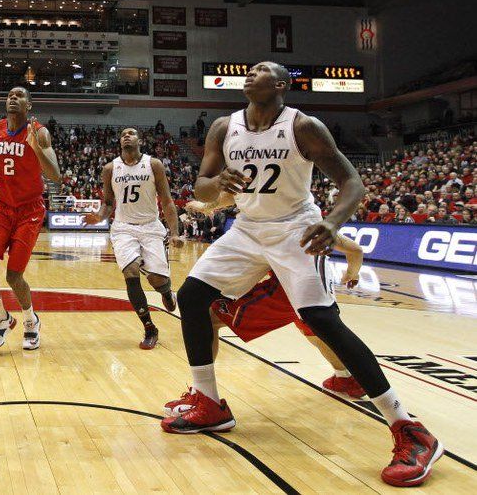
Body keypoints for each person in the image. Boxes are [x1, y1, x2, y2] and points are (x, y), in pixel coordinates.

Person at [161, 62, 442, 488]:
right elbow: (201, 187)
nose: (248, 74)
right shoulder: (224, 126)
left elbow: (352, 183)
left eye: (258, 70)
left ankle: (410, 429)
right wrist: (218, 181)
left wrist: (332, 224)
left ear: (279, 85)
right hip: (248, 230)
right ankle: (209, 402)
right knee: (193, 296)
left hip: (296, 229)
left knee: (321, 320)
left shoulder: (303, 126)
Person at [166, 195, 368, 405]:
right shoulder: (310, 223)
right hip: (317, 285)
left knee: (210, 317)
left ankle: (203, 394)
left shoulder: (277, 223)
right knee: (316, 333)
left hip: (289, 289)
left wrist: (207, 205)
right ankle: (346, 377)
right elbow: (356, 250)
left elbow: (238, 195)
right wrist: (352, 274)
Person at [0, 87, 60, 351]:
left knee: (14, 276)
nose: (13, 99)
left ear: (29, 104)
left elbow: (56, 176)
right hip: (1, 206)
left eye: (19, 96)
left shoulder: (39, 132)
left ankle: (30, 321)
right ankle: (2, 318)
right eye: (9, 95)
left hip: (29, 210)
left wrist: (37, 149)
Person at [84, 128, 182, 349]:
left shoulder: (153, 164)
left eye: (131, 133)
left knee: (156, 279)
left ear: (140, 140)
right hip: (123, 228)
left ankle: (166, 291)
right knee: (131, 271)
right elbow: (108, 203)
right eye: (123, 134)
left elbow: (166, 200)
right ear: (119, 142)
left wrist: (174, 232)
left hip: (150, 227)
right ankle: (149, 327)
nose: (126, 136)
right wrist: (99, 216)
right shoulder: (110, 169)